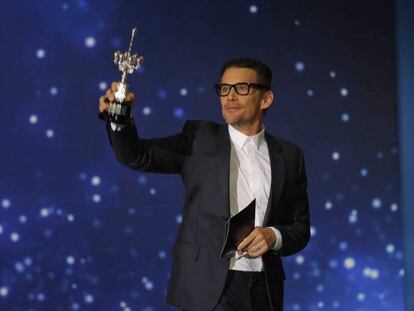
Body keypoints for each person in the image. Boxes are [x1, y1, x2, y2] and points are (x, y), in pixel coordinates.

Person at [99, 58, 310, 311]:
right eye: (224, 88)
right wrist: (118, 118)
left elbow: (300, 228)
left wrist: (273, 236)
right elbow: (135, 155)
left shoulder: (289, 156)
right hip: (208, 290)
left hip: (264, 289)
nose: (230, 96)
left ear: (266, 99)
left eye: (241, 88)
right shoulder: (199, 139)